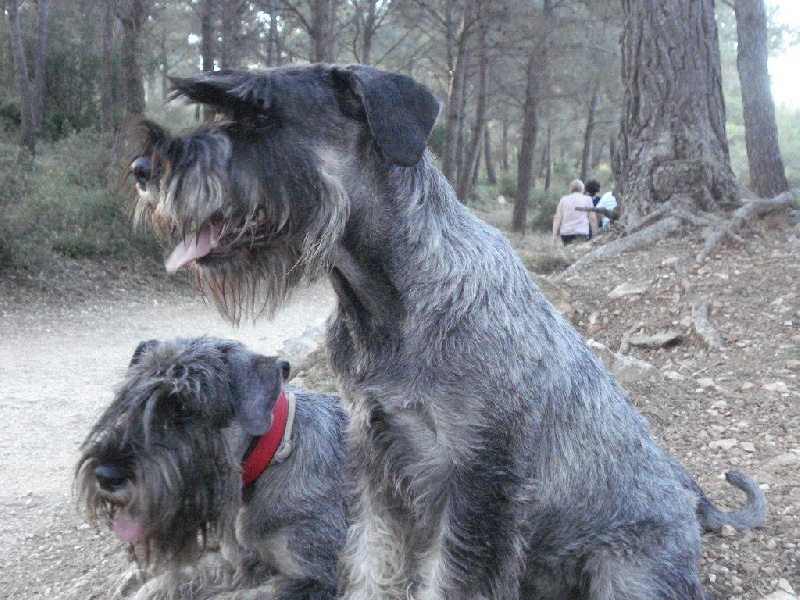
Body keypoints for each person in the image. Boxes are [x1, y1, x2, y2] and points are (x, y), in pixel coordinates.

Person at [552, 179, 597, 245]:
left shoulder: (564, 199)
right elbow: (593, 218)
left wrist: (554, 236)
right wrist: (594, 234)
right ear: (582, 188)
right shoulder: (588, 199)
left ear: (571, 188)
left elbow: (557, 218)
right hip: (582, 232)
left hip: (566, 233)